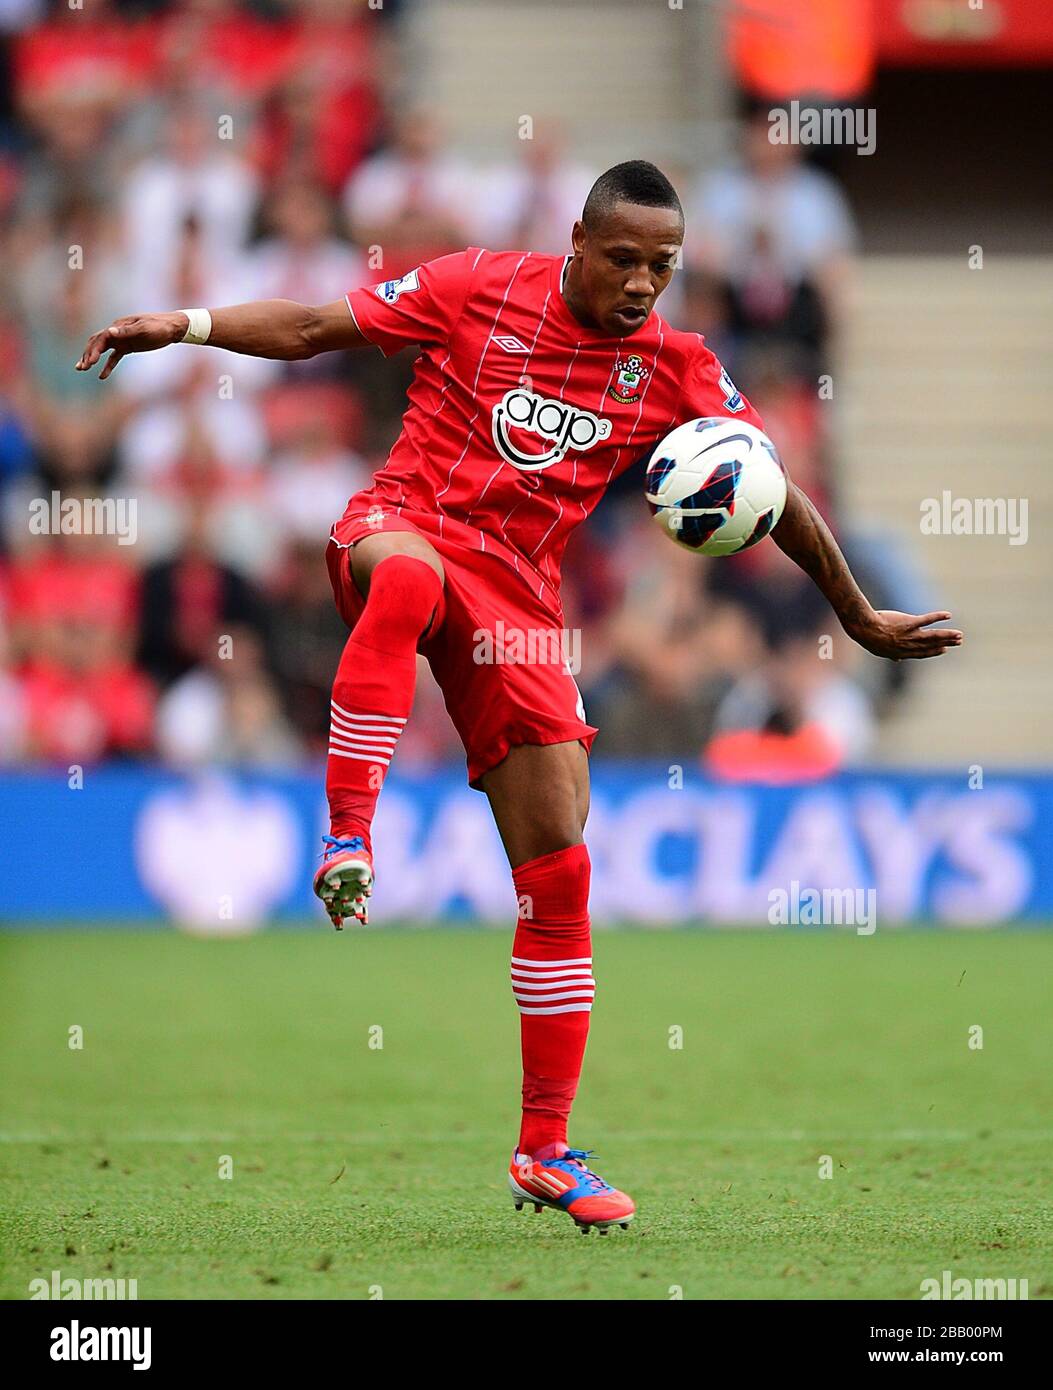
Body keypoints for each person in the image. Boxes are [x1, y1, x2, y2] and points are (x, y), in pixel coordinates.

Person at [75, 160, 962, 1234]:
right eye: (625, 258)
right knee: (404, 578)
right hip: (402, 521)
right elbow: (314, 327)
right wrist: (191, 321)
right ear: (578, 241)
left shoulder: (675, 366)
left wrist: (859, 613)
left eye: (664, 267)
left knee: (561, 869)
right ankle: (347, 835)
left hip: (521, 605)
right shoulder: (475, 284)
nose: (643, 283)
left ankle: (546, 1150)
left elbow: (772, 490)